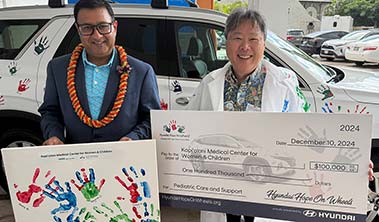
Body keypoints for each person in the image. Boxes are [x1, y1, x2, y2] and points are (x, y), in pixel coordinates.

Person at [187, 8, 374, 222]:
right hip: (221, 187)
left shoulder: (284, 82)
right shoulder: (209, 83)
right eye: (237, 38)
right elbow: (187, 132)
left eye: (253, 39)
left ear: (264, 43)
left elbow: (307, 133)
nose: (245, 47)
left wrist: (351, 166)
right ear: (226, 42)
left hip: (265, 186)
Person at [38, 0, 160, 145]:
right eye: (87, 28)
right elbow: (50, 112)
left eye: (103, 26)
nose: (97, 36)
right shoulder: (57, 68)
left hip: (124, 160)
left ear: (114, 27)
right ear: (78, 29)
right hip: (75, 159)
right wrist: (54, 136)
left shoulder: (142, 71)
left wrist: (134, 137)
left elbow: (151, 118)